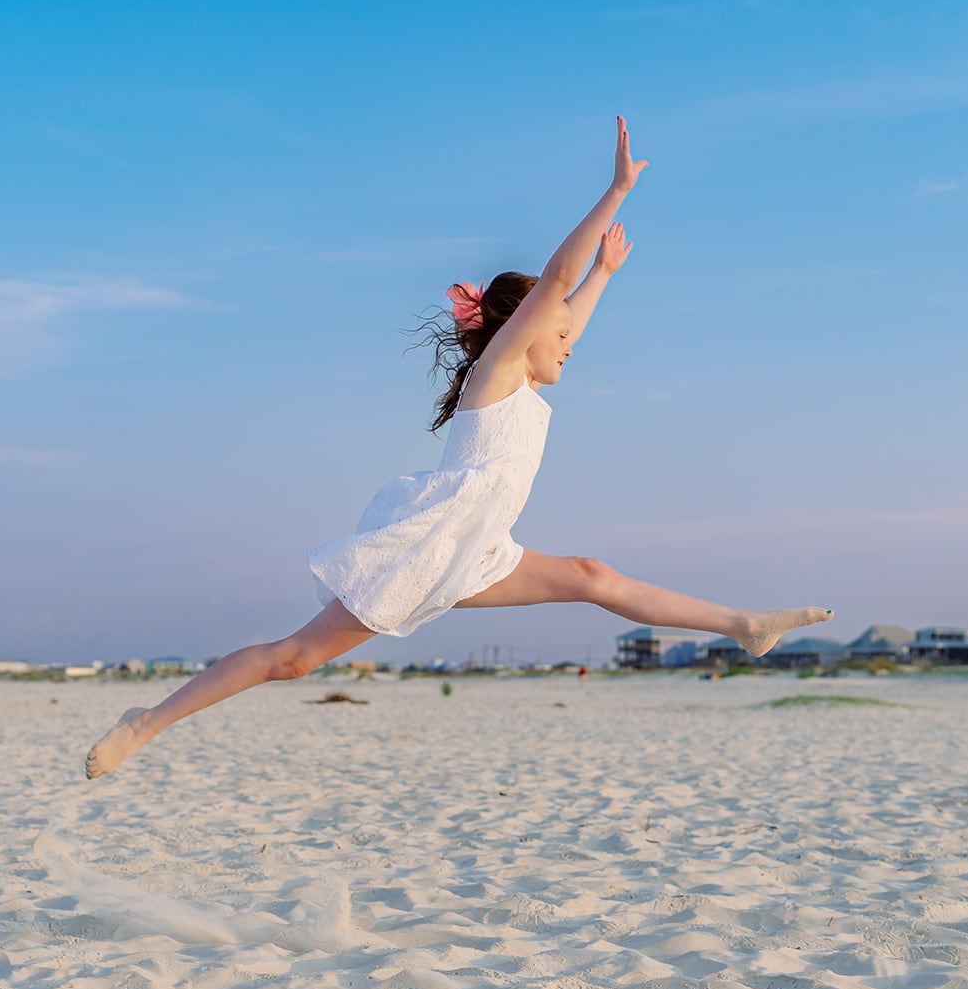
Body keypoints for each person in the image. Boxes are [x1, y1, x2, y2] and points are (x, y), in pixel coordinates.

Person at [86, 117, 830, 779]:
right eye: (561, 334)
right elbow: (556, 288)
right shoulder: (499, 372)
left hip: (479, 550)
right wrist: (614, 193)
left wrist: (605, 274)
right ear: (524, 330)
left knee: (592, 575)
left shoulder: (526, 385)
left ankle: (744, 625)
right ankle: (143, 723)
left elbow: (568, 306)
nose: (572, 347)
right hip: (430, 545)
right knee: (292, 658)